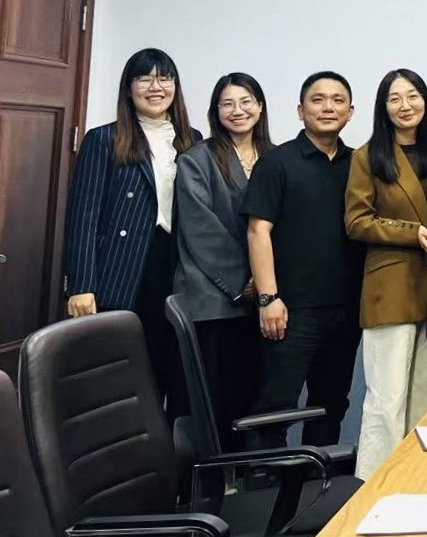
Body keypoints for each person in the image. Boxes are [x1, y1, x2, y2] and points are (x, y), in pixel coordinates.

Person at [64, 47, 199, 416]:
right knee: (119, 373)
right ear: (128, 88)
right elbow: (83, 216)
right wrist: (81, 285)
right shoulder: (104, 139)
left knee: (169, 368)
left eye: (164, 78)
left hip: (175, 266)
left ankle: (162, 448)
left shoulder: (191, 139)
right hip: (121, 269)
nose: (155, 87)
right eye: (144, 79)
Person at [345, 69, 427, 478]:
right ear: (384, 107)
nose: (405, 105)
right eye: (395, 99)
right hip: (391, 286)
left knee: (425, 392)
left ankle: (418, 476)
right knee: (387, 396)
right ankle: (373, 481)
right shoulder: (367, 156)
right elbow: (356, 221)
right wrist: (413, 233)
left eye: (413, 96)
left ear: (425, 100)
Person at [243, 71, 362, 448]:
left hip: (346, 311)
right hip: (290, 311)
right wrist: (268, 298)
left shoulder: (359, 165)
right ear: (300, 110)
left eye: (338, 100)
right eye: (318, 99)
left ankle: (316, 482)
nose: (328, 107)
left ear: (350, 112)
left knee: (331, 406)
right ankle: (262, 481)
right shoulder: (276, 162)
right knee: (274, 408)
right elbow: (257, 232)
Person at [173, 72, 272, 451]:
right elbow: (201, 230)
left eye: (246, 101)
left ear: (260, 107)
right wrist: (245, 278)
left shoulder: (276, 157)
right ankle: (213, 477)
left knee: (253, 397)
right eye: (227, 104)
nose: (238, 110)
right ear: (216, 112)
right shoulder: (196, 159)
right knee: (213, 402)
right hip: (213, 299)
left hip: (264, 298)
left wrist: (265, 283)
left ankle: (247, 476)